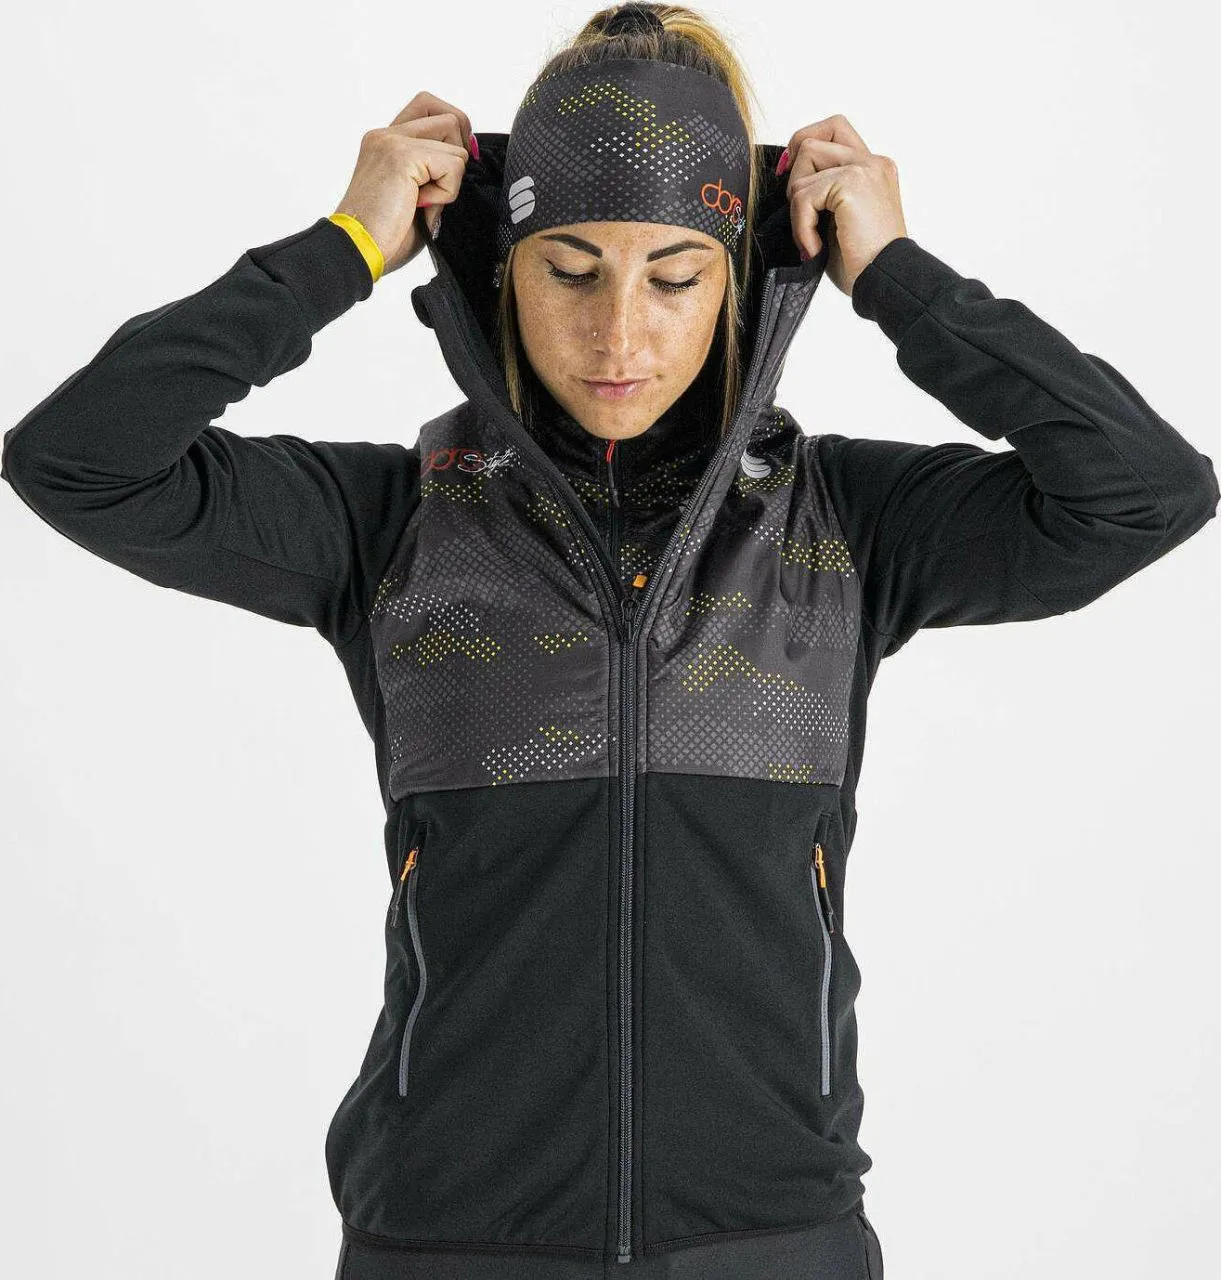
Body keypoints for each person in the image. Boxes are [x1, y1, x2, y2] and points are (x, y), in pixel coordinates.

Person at [3, 4, 1216, 1278]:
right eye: (571, 271)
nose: (620, 333)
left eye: (676, 276)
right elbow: (77, 460)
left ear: (738, 280)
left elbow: (1145, 492)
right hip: (449, 1238)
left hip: (772, 1239)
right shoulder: (394, 524)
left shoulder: (842, 527)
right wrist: (344, 247)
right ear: (499, 268)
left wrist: (897, 275)